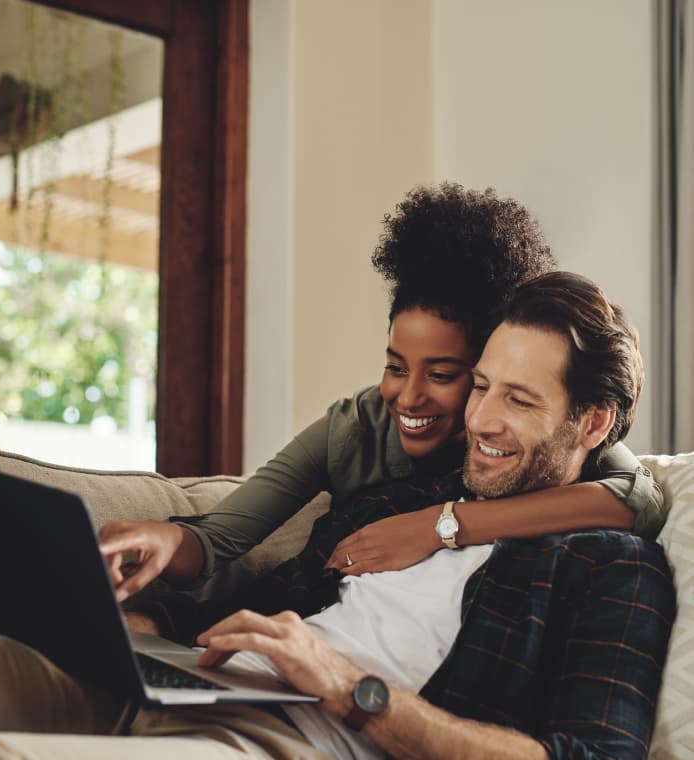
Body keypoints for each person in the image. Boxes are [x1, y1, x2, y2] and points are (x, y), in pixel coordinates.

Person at [0, 271, 675, 760]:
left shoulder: (610, 569)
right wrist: (138, 629)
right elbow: (267, 603)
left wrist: (350, 690)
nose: (482, 420)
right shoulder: (395, 501)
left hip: (287, 740)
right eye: (483, 388)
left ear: (593, 422)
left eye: (520, 402)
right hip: (189, 689)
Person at [99, 185, 663, 608]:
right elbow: (219, 538)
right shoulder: (357, 428)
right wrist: (164, 536)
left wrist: (439, 525)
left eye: (443, 374)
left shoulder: (535, 441)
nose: (408, 397)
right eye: (395, 366)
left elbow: (639, 498)